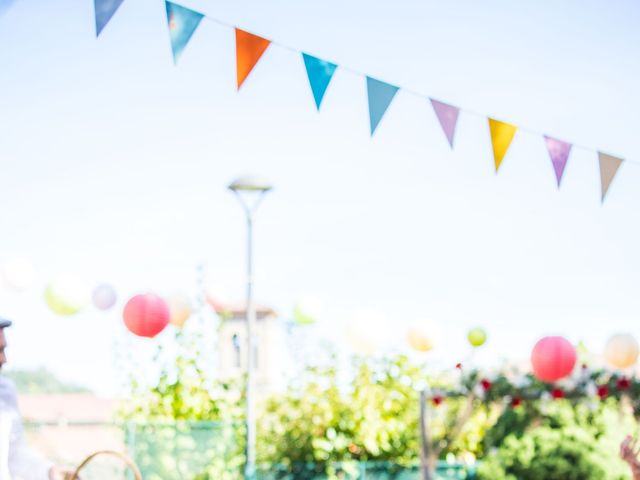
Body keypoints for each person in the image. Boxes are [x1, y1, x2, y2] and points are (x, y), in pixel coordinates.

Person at [0, 318, 76, 480]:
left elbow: (15, 456)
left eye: (3, 350)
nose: (4, 359)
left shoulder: (6, 391)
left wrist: (50, 472)